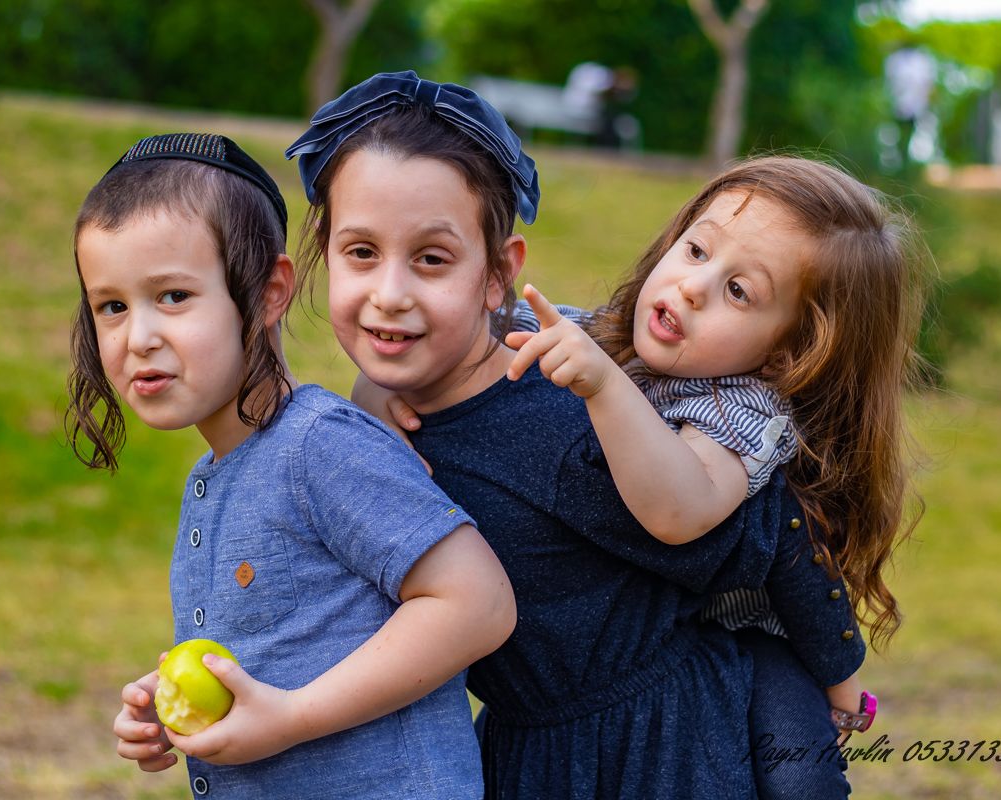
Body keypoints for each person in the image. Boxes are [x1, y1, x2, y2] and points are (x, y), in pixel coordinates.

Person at [287, 71, 866, 799]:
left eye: (431, 258)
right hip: (527, 743)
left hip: (659, 745)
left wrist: (838, 674)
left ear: (497, 274)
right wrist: (375, 393)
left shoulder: (593, 415)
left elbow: (760, 533)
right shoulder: (526, 354)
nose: (390, 294)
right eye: (361, 252)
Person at [65, 133, 515, 799]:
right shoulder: (215, 476)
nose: (140, 337)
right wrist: (179, 705)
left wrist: (290, 718)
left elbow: (478, 602)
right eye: (113, 306)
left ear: (270, 290)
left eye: (174, 296)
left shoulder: (320, 447)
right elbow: (289, 647)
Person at [503, 154, 924, 793]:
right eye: (697, 250)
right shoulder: (600, 335)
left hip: (746, 642)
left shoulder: (745, 408)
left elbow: (679, 510)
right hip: (625, 646)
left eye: (738, 291)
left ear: (786, 355)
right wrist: (389, 397)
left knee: (799, 779)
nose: (693, 286)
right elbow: (463, 345)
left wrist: (603, 386)